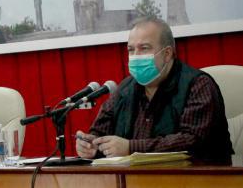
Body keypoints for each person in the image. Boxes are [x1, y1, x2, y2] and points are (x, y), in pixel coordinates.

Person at [76, 17, 233, 163]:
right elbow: (100, 131)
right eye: (131, 50)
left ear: (167, 54)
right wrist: (90, 144)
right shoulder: (125, 88)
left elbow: (191, 141)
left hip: (197, 179)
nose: (135, 56)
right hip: (135, 179)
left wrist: (131, 148)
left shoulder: (198, 85)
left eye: (144, 48)